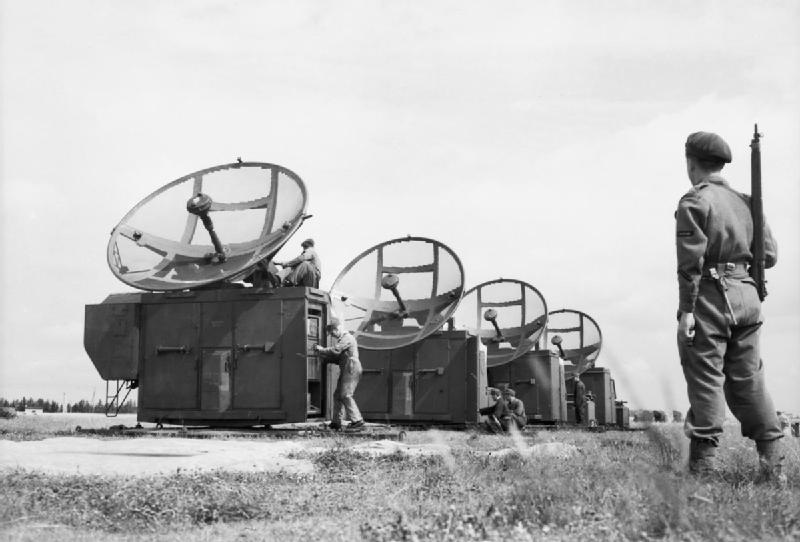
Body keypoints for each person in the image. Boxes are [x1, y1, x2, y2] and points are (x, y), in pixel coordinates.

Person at [675, 131, 784, 480]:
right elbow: (768, 256)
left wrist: (687, 311)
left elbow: (690, 264)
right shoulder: (749, 202)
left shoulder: (695, 201)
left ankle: (704, 470)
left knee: (706, 378)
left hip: (710, 298)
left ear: (691, 163)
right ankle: (774, 467)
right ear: (722, 164)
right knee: (749, 381)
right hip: (748, 298)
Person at [315, 317, 364, 430]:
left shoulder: (347, 338)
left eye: (332, 333)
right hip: (347, 367)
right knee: (337, 395)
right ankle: (336, 422)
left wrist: (322, 350)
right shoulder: (343, 339)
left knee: (346, 395)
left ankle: (357, 420)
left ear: (337, 329)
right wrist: (325, 359)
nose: (332, 335)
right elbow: (339, 359)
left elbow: (336, 350)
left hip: (351, 368)